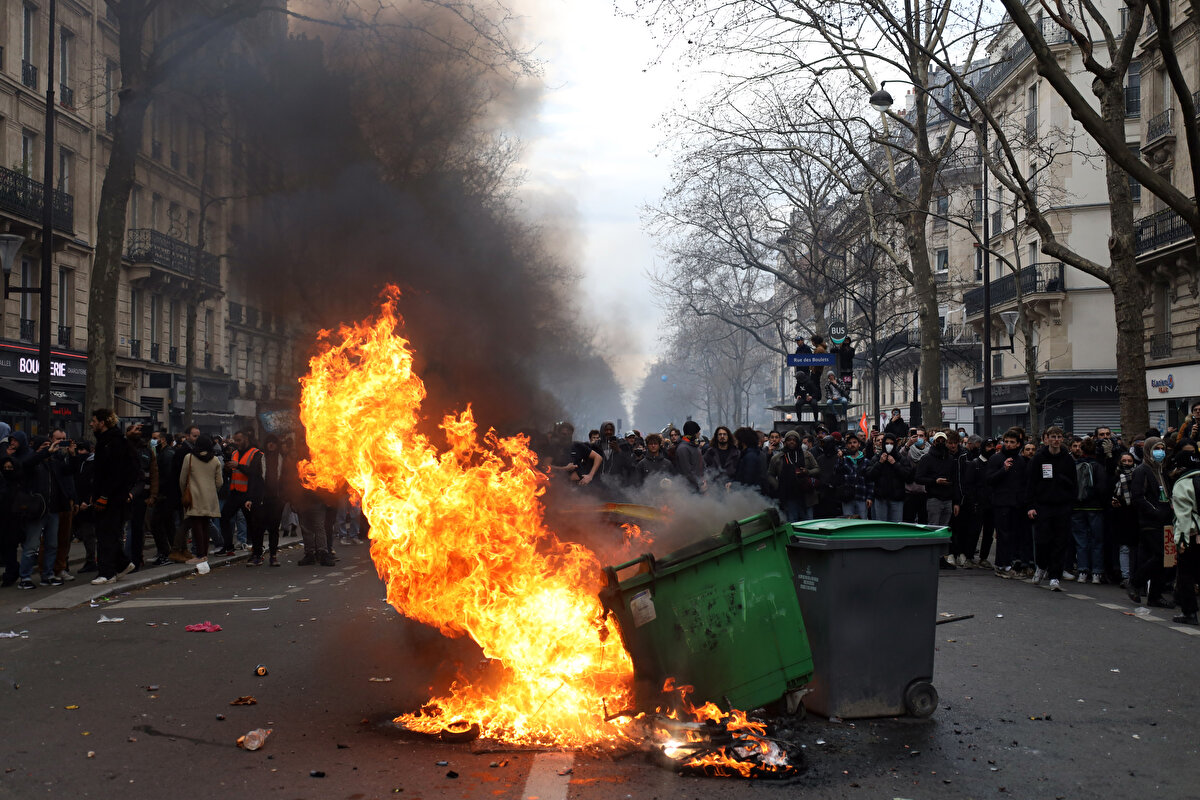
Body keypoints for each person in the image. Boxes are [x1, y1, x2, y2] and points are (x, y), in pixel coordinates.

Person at [88, 409, 140, 586]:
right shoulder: (109, 441)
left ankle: (107, 572)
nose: (91, 424)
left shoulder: (112, 442)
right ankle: (122, 564)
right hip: (112, 496)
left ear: (102, 422)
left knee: (106, 535)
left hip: (111, 498)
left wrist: (103, 496)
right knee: (107, 533)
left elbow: (114, 474)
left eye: (94, 421)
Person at [1025, 426, 1078, 592]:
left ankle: (1055, 576)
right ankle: (1041, 566)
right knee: (1042, 541)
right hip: (1043, 505)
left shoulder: (1067, 460)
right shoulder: (1039, 458)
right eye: (1053, 437)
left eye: (1059, 437)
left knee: (1060, 542)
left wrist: (1070, 503)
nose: (1056, 440)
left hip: (1062, 506)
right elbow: (1031, 484)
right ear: (1046, 438)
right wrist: (1030, 506)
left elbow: (1074, 484)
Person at [1128, 436, 1173, 607]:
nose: (1160, 452)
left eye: (1162, 448)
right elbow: (1138, 497)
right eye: (1156, 448)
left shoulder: (1162, 471)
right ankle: (1136, 582)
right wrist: (1154, 512)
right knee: (1160, 555)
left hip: (1165, 520)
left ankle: (1155, 595)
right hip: (1150, 521)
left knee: (1163, 559)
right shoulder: (1142, 470)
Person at [916, 431, 959, 568]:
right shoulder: (926, 459)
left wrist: (956, 501)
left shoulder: (950, 459)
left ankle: (941, 558)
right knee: (934, 528)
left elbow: (956, 481)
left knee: (944, 529)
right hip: (934, 498)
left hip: (948, 499)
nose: (940, 443)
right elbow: (918, 478)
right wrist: (935, 481)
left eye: (943, 440)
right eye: (938, 440)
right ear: (933, 441)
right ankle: (931, 558)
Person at [178, 435, 224, 565]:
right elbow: (219, 482)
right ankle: (204, 554)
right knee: (206, 524)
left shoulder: (190, 458)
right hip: (210, 497)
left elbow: (182, 479)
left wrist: (184, 493)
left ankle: (200, 554)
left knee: (196, 525)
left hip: (194, 496)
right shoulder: (215, 460)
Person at [220, 430, 265, 560]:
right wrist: (228, 469)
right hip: (234, 493)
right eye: (235, 440)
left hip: (248, 494)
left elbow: (255, 473)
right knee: (224, 517)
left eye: (239, 440)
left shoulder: (257, 454)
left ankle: (257, 550)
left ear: (247, 439)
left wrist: (238, 465)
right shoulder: (234, 453)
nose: (236, 443)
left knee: (252, 523)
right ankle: (228, 547)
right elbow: (233, 473)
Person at [1168, 439, 1200, 625]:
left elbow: (1183, 516)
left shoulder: (1183, 484)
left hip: (1193, 535)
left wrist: (1180, 541)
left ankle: (1189, 613)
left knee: (1186, 574)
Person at [1071, 437, 1108, 584]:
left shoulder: (1075, 465)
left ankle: (1082, 570)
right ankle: (1096, 572)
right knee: (1096, 540)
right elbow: (1103, 487)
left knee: (1081, 541)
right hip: (1095, 507)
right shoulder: (1098, 466)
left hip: (1077, 507)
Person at [767, 430, 820, 522]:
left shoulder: (806, 454)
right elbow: (770, 474)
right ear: (785, 442)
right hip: (789, 495)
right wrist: (778, 486)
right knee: (792, 521)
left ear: (798, 442)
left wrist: (807, 472)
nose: (792, 442)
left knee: (808, 520)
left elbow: (817, 469)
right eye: (789, 440)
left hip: (806, 494)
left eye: (794, 440)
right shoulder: (778, 457)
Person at [866, 432, 911, 522]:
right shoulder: (876, 458)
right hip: (881, 498)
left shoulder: (901, 458)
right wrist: (880, 463)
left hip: (897, 498)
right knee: (882, 526)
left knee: (896, 525)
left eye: (891, 443)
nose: (889, 446)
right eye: (886, 443)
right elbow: (869, 475)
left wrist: (895, 464)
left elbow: (908, 476)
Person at [1111, 452, 1138, 588]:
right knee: (1124, 548)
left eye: (1129, 460)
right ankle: (1125, 576)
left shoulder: (1138, 475)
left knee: (1135, 548)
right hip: (1121, 515)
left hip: (1135, 515)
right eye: (1124, 460)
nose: (1127, 463)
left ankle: (1135, 576)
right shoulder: (1115, 476)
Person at [836, 432, 873, 519]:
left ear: (859, 444)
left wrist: (870, 497)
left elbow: (870, 481)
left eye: (854, 442)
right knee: (848, 523)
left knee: (862, 523)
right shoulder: (843, 460)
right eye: (849, 443)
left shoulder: (866, 461)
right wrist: (840, 460)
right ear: (847, 446)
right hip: (847, 497)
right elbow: (836, 473)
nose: (852, 445)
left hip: (862, 497)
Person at [675, 421, 707, 493]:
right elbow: (687, 472)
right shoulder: (683, 448)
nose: (699, 433)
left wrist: (705, 479)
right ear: (693, 433)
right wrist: (700, 484)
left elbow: (702, 464)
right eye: (697, 431)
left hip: (700, 486)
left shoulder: (694, 446)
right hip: (689, 490)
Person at [731, 427, 765, 492]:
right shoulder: (752, 453)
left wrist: (734, 486)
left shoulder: (750, 456)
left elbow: (747, 480)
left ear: (742, 442)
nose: (736, 443)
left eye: (737, 440)